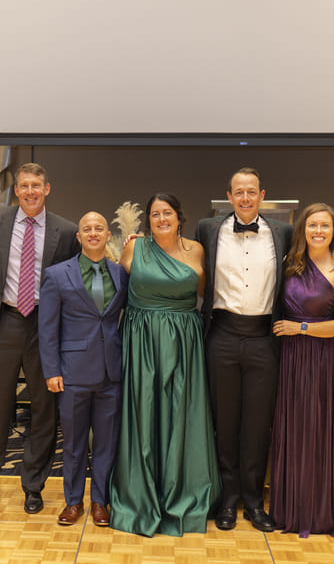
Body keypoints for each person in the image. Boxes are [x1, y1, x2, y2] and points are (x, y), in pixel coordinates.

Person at [0, 163, 79, 514]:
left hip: (45, 326)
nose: (30, 191)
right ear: (16, 190)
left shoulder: (66, 231)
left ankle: (33, 486)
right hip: (6, 321)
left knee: (44, 409)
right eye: (24, 185)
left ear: (47, 189)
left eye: (35, 186)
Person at [110, 193, 220, 536]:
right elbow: (117, 292)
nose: (161, 219)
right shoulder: (134, 247)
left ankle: (183, 493)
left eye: (167, 212)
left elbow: (202, 293)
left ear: (179, 216)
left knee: (181, 412)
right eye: (155, 214)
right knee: (143, 411)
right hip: (141, 338)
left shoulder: (197, 250)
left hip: (184, 340)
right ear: (149, 219)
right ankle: (141, 494)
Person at [195, 168, 291, 532]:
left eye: (252, 191)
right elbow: (183, 258)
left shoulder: (282, 232)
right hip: (221, 334)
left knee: (257, 424)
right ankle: (227, 498)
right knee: (224, 422)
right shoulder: (208, 229)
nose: (246, 198)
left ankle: (253, 501)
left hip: (264, 337)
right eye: (239, 192)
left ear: (262, 195)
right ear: (229, 196)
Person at [269, 204, 334, 537]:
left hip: (326, 359)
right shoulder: (290, 266)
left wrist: (301, 328)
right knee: (294, 432)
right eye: (312, 225)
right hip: (292, 359)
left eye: (325, 226)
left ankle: (321, 513)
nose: (318, 231)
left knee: (321, 430)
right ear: (302, 230)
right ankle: (291, 509)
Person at [38, 211, 128, 528]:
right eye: (86, 229)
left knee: (106, 443)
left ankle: (100, 502)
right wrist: (51, 370)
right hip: (72, 372)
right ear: (78, 237)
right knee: (74, 444)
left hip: (112, 372)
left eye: (98, 228)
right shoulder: (56, 275)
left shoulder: (121, 274)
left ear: (107, 236)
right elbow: (47, 328)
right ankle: (73, 501)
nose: (92, 233)